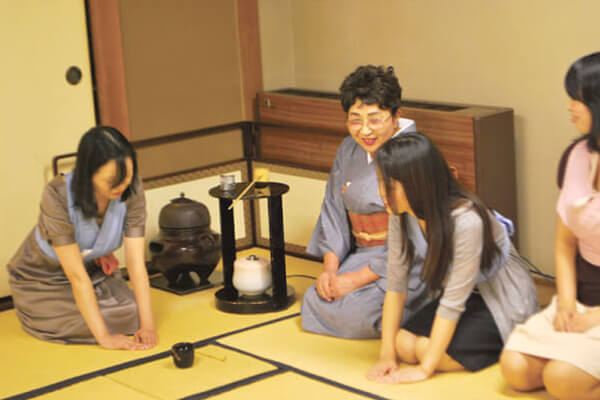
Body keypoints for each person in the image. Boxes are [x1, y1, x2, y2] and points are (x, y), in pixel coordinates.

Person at [367, 132, 537, 383]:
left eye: (389, 184)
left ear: (416, 183)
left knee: (426, 351)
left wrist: (424, 369)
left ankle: (504, 339)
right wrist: (386, 355)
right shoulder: (400, 210)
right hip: (460, 297)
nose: (381, 192)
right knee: (401, 344)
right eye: (380, 182)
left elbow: (454, 301)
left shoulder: (466, 220)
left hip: (500, 298)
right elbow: (396, 284)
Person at [301, 65, 430, 339]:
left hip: (406, 261)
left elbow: (414, 242)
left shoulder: (411, 154)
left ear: (396, 116)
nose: (365, 130)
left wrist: (354, 281)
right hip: (360, 255)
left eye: (375, 119)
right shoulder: (347, 150)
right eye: (355, 120)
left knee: (358, 314)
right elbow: (333, 213)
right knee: (316, 299)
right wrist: (330, 272)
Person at [500, 52, 600, 400]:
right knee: (515, 369)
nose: (570, 107)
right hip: (582, 298)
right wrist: (568, 304)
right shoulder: (577, 155)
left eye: (579, 99)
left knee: (561, 380)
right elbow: (564, 243)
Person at [7, 126, 158, 350]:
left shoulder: (132, 188)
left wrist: (148, 326)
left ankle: (94, 313)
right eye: (111, 180)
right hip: (42, 280)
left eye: (126, 176)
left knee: (131, 314)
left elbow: (136, 264)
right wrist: (104, 338)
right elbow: (75, 276)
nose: (121, 186)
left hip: (89, 272)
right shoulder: (57, 193)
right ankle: (37, 315)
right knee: (108, 320)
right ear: (88, 173)